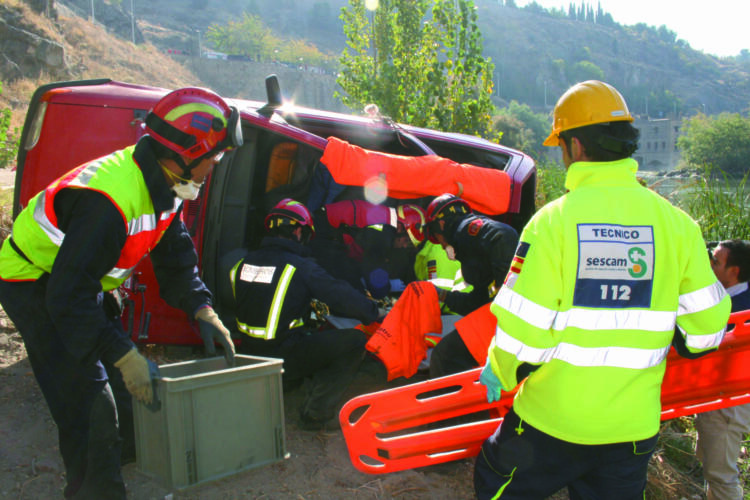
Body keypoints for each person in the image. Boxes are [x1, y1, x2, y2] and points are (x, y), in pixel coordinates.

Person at [474, 80, 732, 499]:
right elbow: (704, 333)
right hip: (631, 431)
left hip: (552, 422)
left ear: (574, 147)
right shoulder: (679, 225)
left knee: (494, 481)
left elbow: (525, 331)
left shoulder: (553, 222)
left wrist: (500, 371)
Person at [0, 86, 241, 499]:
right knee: (89, 405)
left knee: (122, 387)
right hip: (33, 283)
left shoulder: (167, 185)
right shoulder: (108, 202)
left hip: (75, 282)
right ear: (186, 153)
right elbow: (67, 298)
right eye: (215, 157)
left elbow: (175, 257)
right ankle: (95, 489)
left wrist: (201, 308)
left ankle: (118, 456)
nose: (214, 166)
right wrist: (124, 354)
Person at [229, 198, 381, 430]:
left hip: (247, 352)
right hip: (280, 356)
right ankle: (316, 415)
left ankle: (287, 384)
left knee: (309, 331)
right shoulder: (299, 267)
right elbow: (339, 294)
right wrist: (375, 312)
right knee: (354, 341)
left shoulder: (241, 263)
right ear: (298, 230)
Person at [423, 193, 519, 378]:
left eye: (436, 237)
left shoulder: (463, 229)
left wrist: (504, 295)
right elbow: (479, 300)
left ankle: (447, 403)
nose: (442, 247)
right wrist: (443, 296)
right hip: (505, 316)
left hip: (509, 318)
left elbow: (502, 234)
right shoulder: (467, 245)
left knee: (445, 356)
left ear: (440, 225)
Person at [695, 239, 750, 500]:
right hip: (714, 396)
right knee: (711, 461)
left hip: (729, 401)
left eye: (716, 262)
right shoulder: (724, 295)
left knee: (720, 473)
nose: (710, 265)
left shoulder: (742, 310)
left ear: (734, 271)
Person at [309, 199, 425, 299]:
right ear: (400, 228)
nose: (404, 246)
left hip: (327, 229)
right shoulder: (383, 234)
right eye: (407, 241)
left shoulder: (386, 218)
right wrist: (386, 291)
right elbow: (374, 275)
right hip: (323, 234)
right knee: (353, 295)